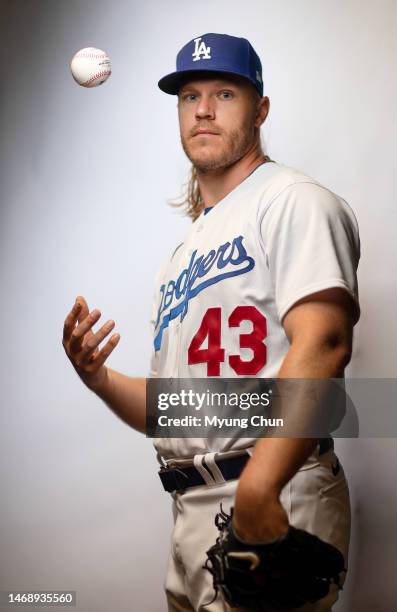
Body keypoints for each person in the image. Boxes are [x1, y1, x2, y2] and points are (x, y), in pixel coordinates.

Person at [63, 33, 360, 612]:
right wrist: (98, 378)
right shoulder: (184, 253)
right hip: (191, 511)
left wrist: (260, 486)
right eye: (188, 95)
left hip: (272, 489)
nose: (203, 108)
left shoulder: (294, 200)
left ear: (260, 110)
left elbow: (324, 342)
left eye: (225, 92)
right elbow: (172, 409)